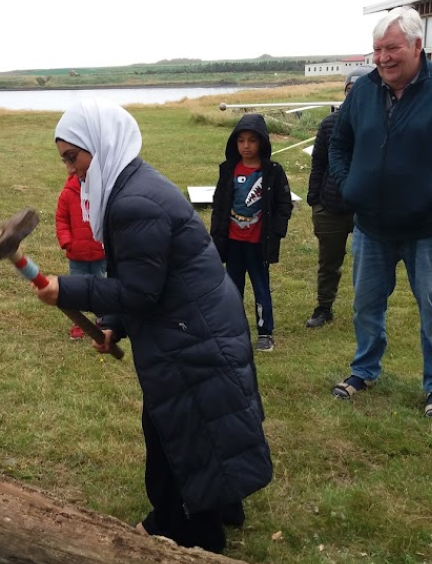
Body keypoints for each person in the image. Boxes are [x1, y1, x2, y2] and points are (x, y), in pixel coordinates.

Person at [36, 99, 272, 553]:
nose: (71, 173)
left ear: (99, 146)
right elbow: (150, 280)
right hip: (195, 316)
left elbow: (142, 290)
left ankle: (180, 523)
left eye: (73, 158)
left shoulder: (133, 202)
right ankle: (223, 503)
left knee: (173, 423)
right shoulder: (132, 186)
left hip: (190, 327)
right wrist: (113, 327)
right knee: (206, 417)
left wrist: (69, 290)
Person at [327, 7, 432, 418]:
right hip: (371, 227)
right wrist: (348, 186)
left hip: (428, 227)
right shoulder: (363, 90)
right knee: (366, 305)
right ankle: (364, 370)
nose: (382, 58)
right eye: (377, 50)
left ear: (417, 46)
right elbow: (338, 144)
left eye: (391, 48)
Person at [210, 114, 293, 352]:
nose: (246, 146)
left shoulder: (273, 172)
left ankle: (265, 332)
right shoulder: (228, 170)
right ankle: (232, 331)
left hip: (258, 243)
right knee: (231, 288)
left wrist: (276, 232)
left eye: (252, 140)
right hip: (233, 243)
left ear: (263, 143)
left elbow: (283, 205)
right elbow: (219, 204)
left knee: (260, 287)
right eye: (241, 141)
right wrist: (217, 236)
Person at [304, 65, 374, 329]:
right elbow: (318, 163)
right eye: (349, 89)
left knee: (368, 264)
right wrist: (315, 199)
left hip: (366, 209)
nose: (353, 94)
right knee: (328, 263)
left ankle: (367, 312)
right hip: (330, 206)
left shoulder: (380, 124)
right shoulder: (330, 124)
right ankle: (324, 308)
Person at [55, 172, 106, 340]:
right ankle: (79, 323)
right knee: (76, 289)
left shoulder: (102, 192)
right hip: (77, 255)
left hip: (99, 252)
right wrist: (67, 242)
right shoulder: (68, 194)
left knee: (99, 286)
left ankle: (101, 319)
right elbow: (61, 219)